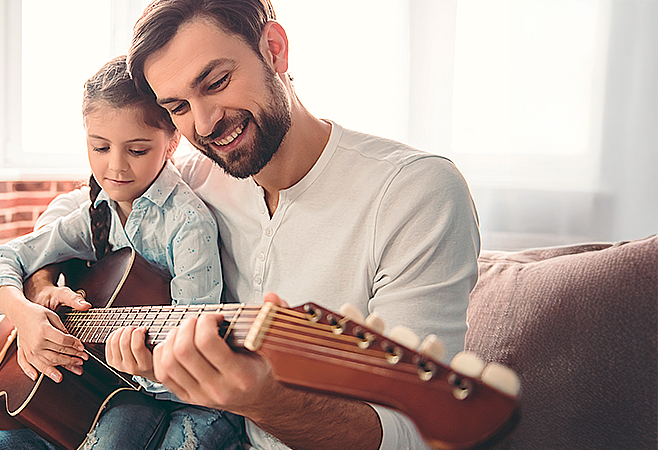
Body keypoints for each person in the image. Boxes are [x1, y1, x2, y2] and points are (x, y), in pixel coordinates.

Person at [30, 1, 481, 449]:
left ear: (275, 49)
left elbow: (419, 434)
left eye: (217, 82)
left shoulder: (414, 192)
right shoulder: (195, 174)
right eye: (178, 107)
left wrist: (265, 401)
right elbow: (77, 208)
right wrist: (39, 292)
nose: (204, 124)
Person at [0, 55, 245, 450]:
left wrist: (147, 364)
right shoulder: (96, 214)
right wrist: (24, 314)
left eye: (137, 150)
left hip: (170, 393)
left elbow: (190, 345)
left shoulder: (187, 223)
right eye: (100, 147)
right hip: (114, 385)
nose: (115, 167)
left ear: (172, 143)